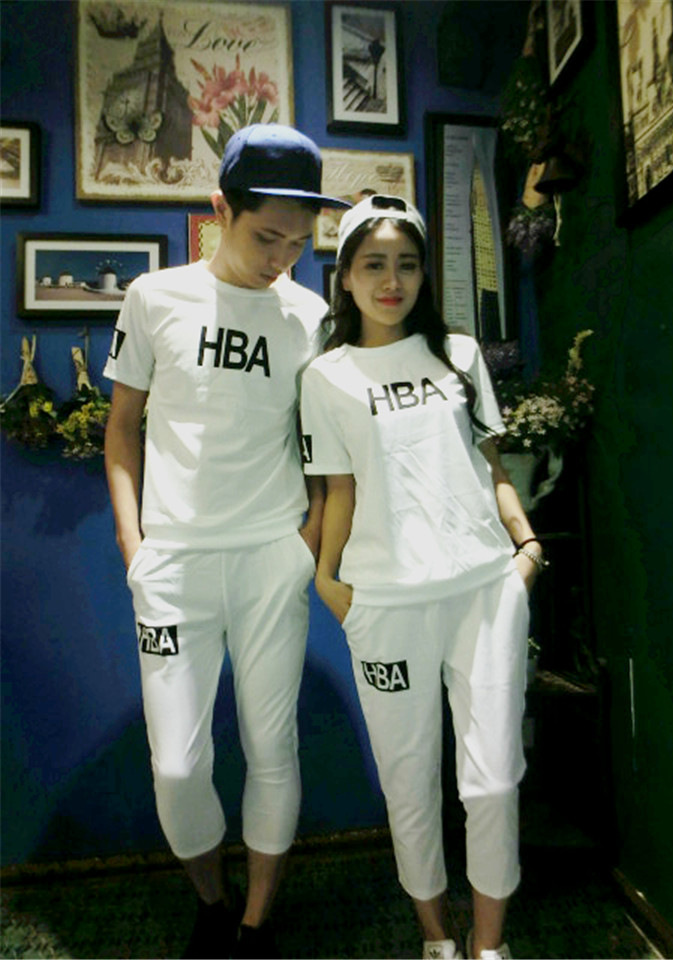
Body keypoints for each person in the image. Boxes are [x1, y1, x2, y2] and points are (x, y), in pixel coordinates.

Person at [103, 124, 349, 960]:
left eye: (298, 242)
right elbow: (122, 431)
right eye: (267, 236)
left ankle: (253, 925)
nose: (283, 257)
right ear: (221, 210)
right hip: (172, 565)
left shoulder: (312, 317)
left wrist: (305, 546)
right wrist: (135, 547)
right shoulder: (155, 298)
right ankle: (210, 903)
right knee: (178, 765)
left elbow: (324, 450)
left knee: (272, 747)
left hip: (271, 559)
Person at [300, 195, 547, 960]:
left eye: (407, 265)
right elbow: (338, 491)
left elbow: (490, 465)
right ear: (345, 277)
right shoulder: (326, 377)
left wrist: (527, 546)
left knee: (494, 780)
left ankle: (488, 946)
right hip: (385, 603)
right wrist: (327, 579)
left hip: (484, 592)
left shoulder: (461, 356)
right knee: (408, 781)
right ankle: (437, 938)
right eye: (373, 265)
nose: (392, 281)